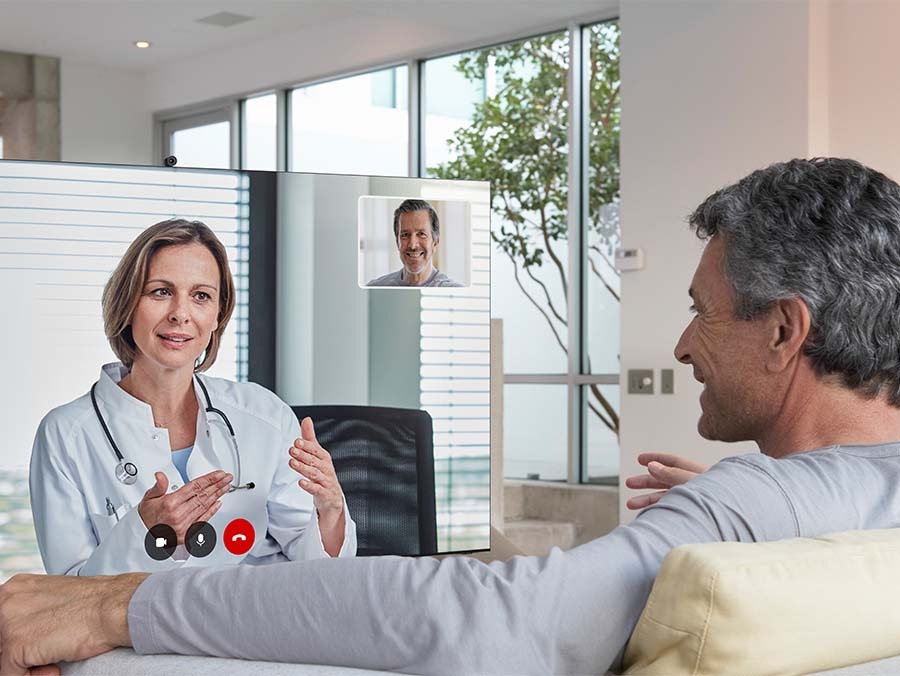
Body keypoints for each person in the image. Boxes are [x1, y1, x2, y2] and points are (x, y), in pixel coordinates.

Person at [6, 158, 900, 675]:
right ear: (129, 304)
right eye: (162, 292)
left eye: (702, 310)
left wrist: (125, 600)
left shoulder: (750, 507)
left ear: (785, 331)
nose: (679, 346)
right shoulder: (828, 505)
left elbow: (491, 615)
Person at [28, 219, 356, 577]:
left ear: (218, 314)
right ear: (128, 303)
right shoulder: (66, 435)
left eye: (201, 296)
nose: (180, 314)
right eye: (160, 292)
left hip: (255, 626)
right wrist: (142, 534)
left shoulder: (263, 414)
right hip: (136, 633)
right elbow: (66, 600)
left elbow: (317, 572)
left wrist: (331, 510)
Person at [366, 198, 463, 287]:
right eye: (405, 235)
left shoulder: (455, 290)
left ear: (435, 243)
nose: (412, 245)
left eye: (421, 234)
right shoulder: (375, 287)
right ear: (397, 242)